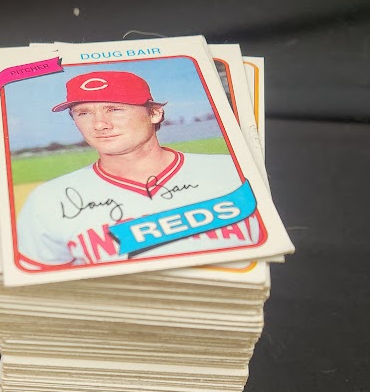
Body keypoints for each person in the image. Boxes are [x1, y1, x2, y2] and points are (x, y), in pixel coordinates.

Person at [16, 69, 255, 267]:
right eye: (84, 113)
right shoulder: (48, 200)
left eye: (114, 109)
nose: (99, 124)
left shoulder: (233, 171)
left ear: (154, 113)